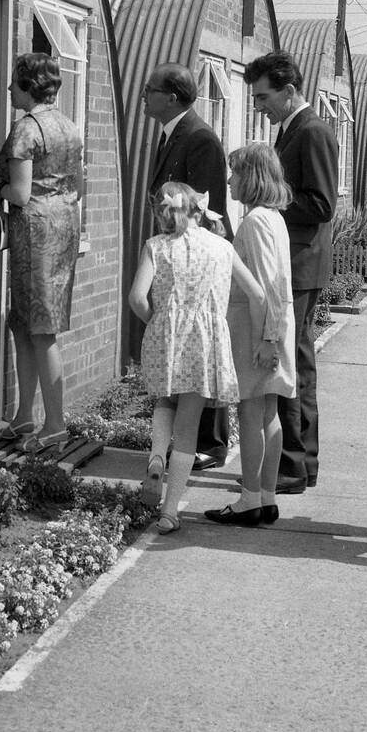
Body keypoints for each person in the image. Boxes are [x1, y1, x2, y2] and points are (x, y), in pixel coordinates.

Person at [130, 183, 266, 534]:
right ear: (198, 210)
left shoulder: (156, 246)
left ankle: (157, 455)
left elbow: (136, 298)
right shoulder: (221, 246)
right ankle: (170, 511)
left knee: (165, 398)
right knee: (188, 430)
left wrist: (158, 322)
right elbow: (255, 292)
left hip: (166, 336)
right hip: (206, 344)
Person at [0, 52, 84, 452]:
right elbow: (77, 188)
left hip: (35, 233)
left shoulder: (26, 129)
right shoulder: (68, 126)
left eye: (13, 82)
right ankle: (24, 416)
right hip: (63, 226)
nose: (8, 89)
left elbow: (19, 194)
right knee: (25, 325)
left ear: (27, 85)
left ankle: (54, 423)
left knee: (39, 329)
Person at [244, 52, 338, 494]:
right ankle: (299, 463)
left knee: (291, 364)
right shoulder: (290, 129)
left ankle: (295, 465)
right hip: (293, 261)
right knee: (295, 362)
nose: (258, 105)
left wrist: (268, 199)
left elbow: (321, 206)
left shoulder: (312, 131)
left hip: (299, 265)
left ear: (288, 89)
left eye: (263, 96)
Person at [142, 61, 233, 471]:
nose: (145, 95)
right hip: (179, 253)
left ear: (172, 97)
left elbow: (206, 208)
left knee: (200, 344)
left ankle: (210, 443)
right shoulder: (171, 133)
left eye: (151, 89)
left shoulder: (199, 139)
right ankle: (191, 440)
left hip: (197, 259)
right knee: (189, 354)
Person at [204, 142, 297, 528]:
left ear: (252, 177)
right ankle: (266, 496)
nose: (229, 180)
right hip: (272, 326)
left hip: (257, 328)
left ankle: (250, 500)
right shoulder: (271, 217)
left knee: (251, 412)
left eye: (235, 173)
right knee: (268, 414)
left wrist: (266, 340)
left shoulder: (256, 221)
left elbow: (266, 284)